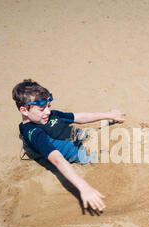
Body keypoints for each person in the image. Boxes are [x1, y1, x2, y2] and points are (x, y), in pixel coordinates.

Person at [12, 79, 125, 212]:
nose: (48, 111)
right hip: (84, 154)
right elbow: (57, 159)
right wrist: (84, 187)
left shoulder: (50, 115)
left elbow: (78, 117)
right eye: (42, 109)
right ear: (24, 110)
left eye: (49, 106)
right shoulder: (33, 132)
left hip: (84, 137)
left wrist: (108, 115)